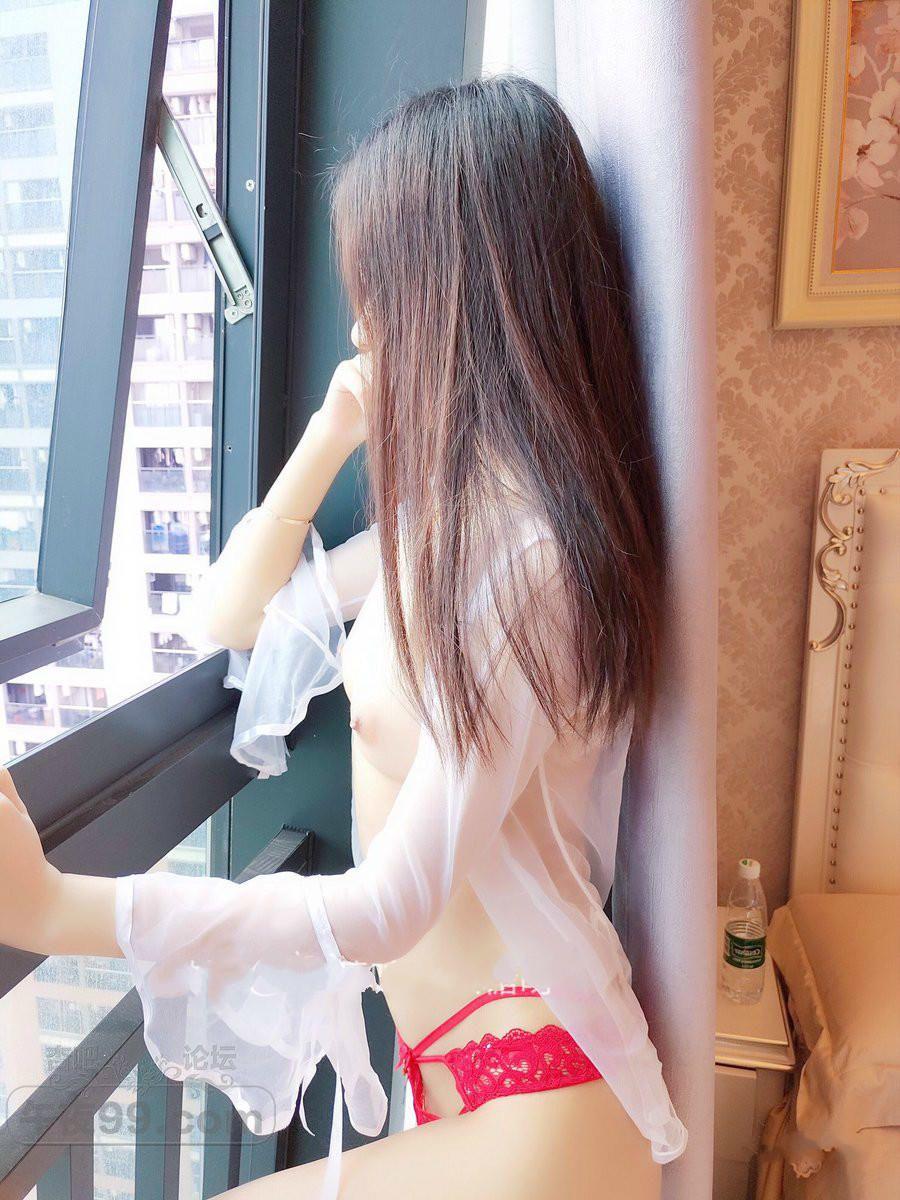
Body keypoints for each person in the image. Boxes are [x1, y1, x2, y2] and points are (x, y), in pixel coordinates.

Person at [0, 75, 687, 1199]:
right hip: (466, 1083)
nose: (363, 329)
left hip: (541, 1111)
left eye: (378, 295)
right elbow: (229, 619)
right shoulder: (444, 530)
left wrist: (56, 909)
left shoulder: (532, 563)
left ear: (457, 298)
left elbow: (389, 906)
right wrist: (329, 434)